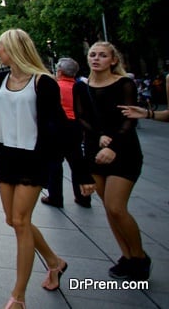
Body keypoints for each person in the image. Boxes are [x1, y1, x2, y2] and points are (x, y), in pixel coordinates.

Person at [0, 29, 94, 309]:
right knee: (12, 220)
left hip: (33, 158)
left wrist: (81, 172)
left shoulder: (43, 82)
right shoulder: (0, 79)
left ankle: (18, 296)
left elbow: (61, 127)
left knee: (21, 222)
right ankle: (55, 262)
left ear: (14, 49)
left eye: (1, 47)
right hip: (6, 155)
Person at [75, 41, 150, 281]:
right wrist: (99, 138)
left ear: (113, 60)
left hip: (124, 150)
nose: (96, 59)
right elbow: (81, 117)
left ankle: (139, 257)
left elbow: (130, 118)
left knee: (117, 206)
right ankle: (126, 256)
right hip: (95, 150)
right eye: (93, 55)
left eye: (103, 55)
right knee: (108, 207)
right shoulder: (81, 87)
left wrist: (113, 144)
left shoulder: (124, 84)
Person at [41, 58, 91, 209]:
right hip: (75, 127)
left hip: (57, 127)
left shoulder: (54, 86)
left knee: (54, 163)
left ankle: (55, 197)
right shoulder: (80, 86)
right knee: (76, 162)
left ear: (60, 71)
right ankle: (83, 197)